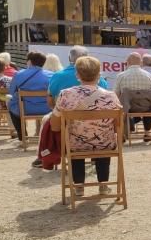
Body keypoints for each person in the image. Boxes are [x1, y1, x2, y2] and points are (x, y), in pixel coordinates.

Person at [50, 56, 122, 195]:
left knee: (75, 142)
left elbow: (55, 125)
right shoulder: (110, 96)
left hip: (75, 145)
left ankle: (79, 186)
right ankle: (103, 184)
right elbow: (118, 124)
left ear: (77, 74)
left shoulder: (66, 94)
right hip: (104, 145)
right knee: (103, 140)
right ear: (99, 74)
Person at [7, 51, 52, 143]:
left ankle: (22, 137)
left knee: (10, 104)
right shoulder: (51, 75)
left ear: (30, 61)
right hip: (47, 109)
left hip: (25, 109)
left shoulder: (19, 74)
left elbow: (11, 92)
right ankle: (48, 138)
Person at [114, 53, 151, 142]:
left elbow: (116, 94)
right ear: (140, 63)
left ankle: (122, 132)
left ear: (128, 62)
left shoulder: (121, 76)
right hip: (146, 107)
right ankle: (147, 133)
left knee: (120, 104)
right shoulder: (148, 75)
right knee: (150, 104)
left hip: (127, 108)